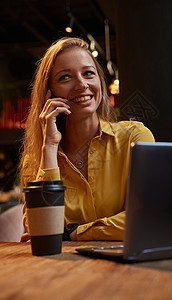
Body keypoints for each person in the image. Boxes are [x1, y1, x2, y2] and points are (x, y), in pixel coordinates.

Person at [20, 37, 154, 242]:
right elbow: (40, 229)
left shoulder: (134, 138)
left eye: (88, 73)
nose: (82, 84)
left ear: (99, 81)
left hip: (129, 266)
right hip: (65, 270)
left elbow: (148, 217)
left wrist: (70, 233)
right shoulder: (37, 156)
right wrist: (49, 146)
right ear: (49, 94)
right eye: (65, 77)